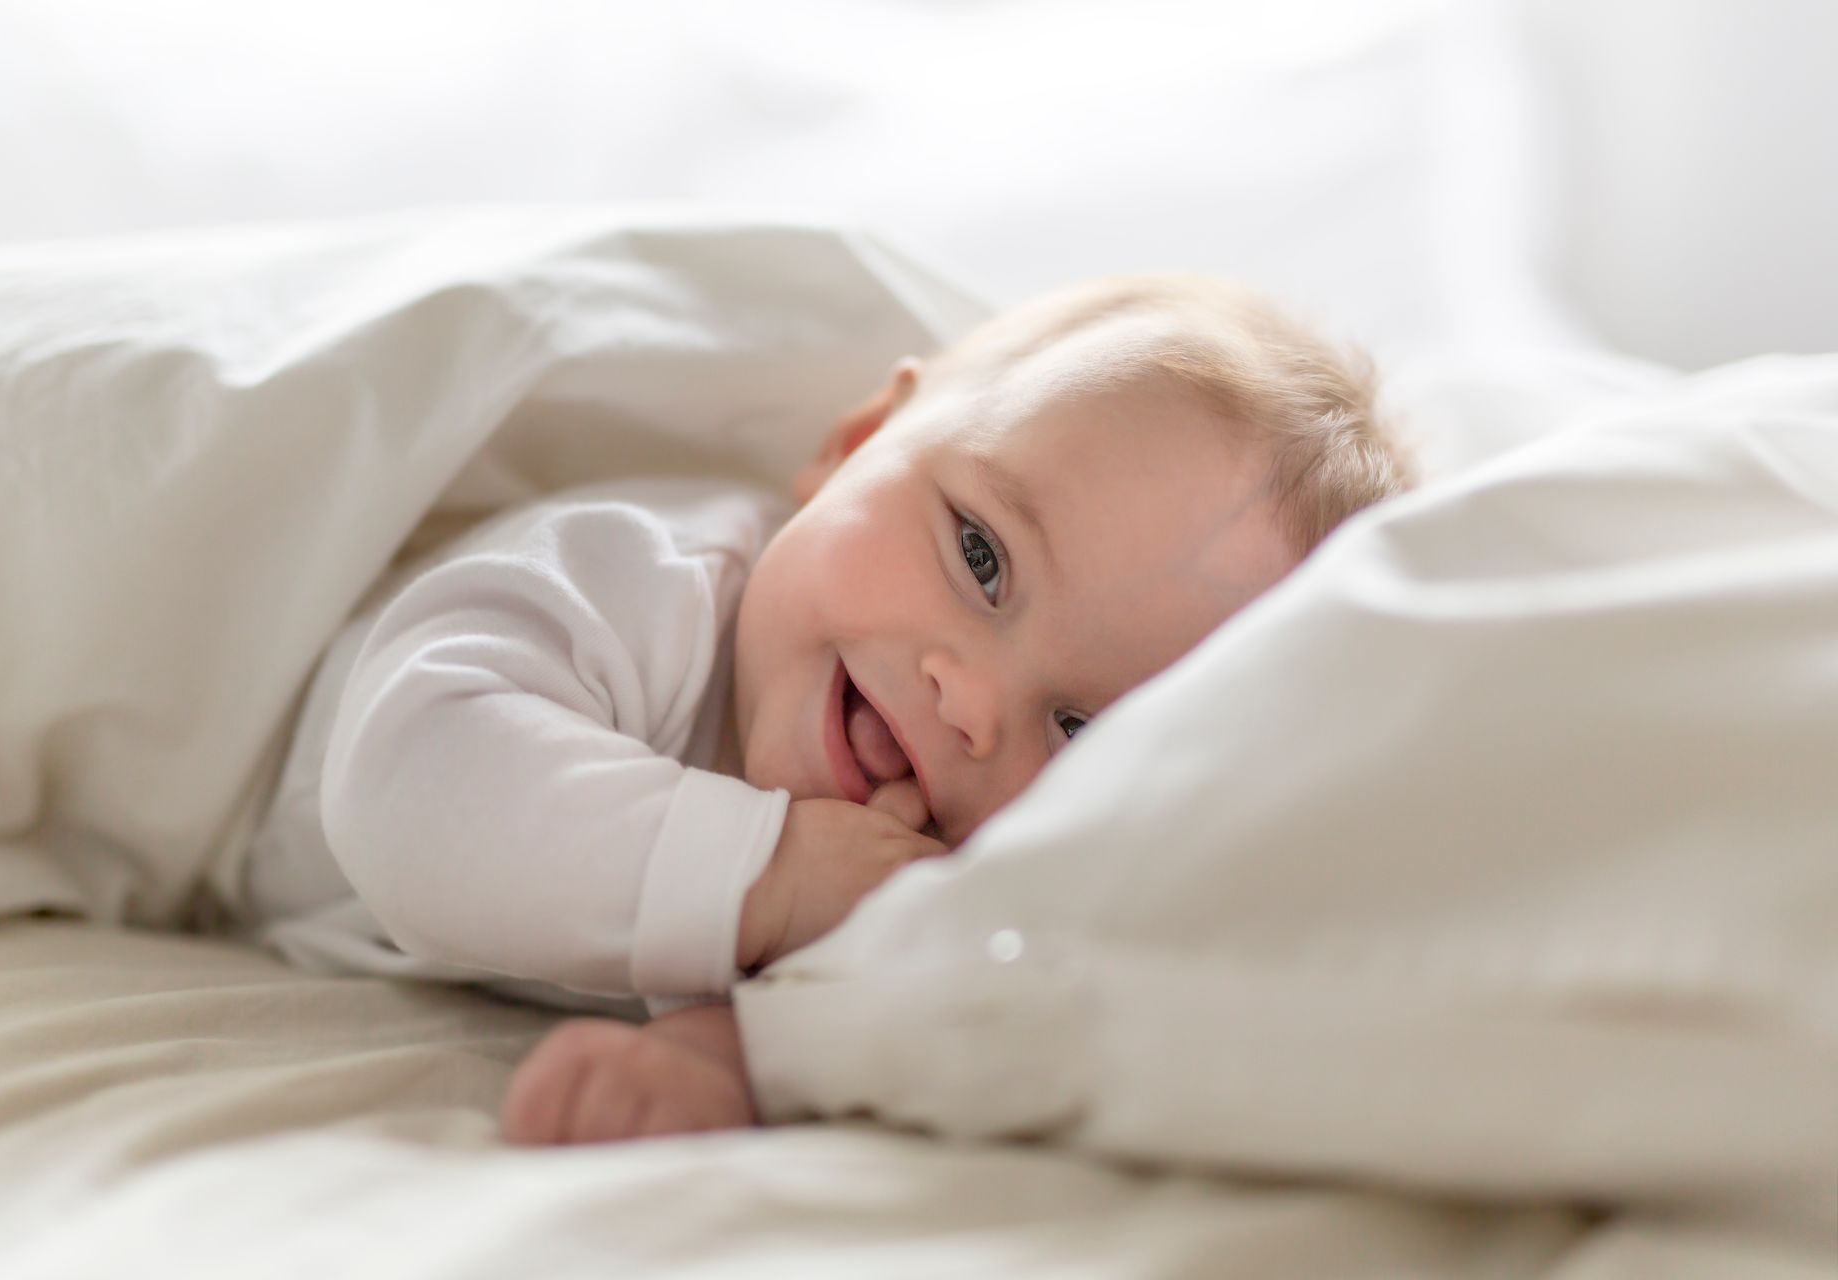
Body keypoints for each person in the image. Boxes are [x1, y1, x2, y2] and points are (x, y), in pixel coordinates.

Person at [230, 275, 1413, 1140]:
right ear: (856, 444)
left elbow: (875, 997)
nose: (973, 698)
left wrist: (717, 1061)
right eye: (982, 556)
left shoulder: (938, 864)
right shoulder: (643, 580)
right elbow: (406, 785)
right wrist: (770, 874)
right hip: (206, 738)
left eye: (1084, 727)